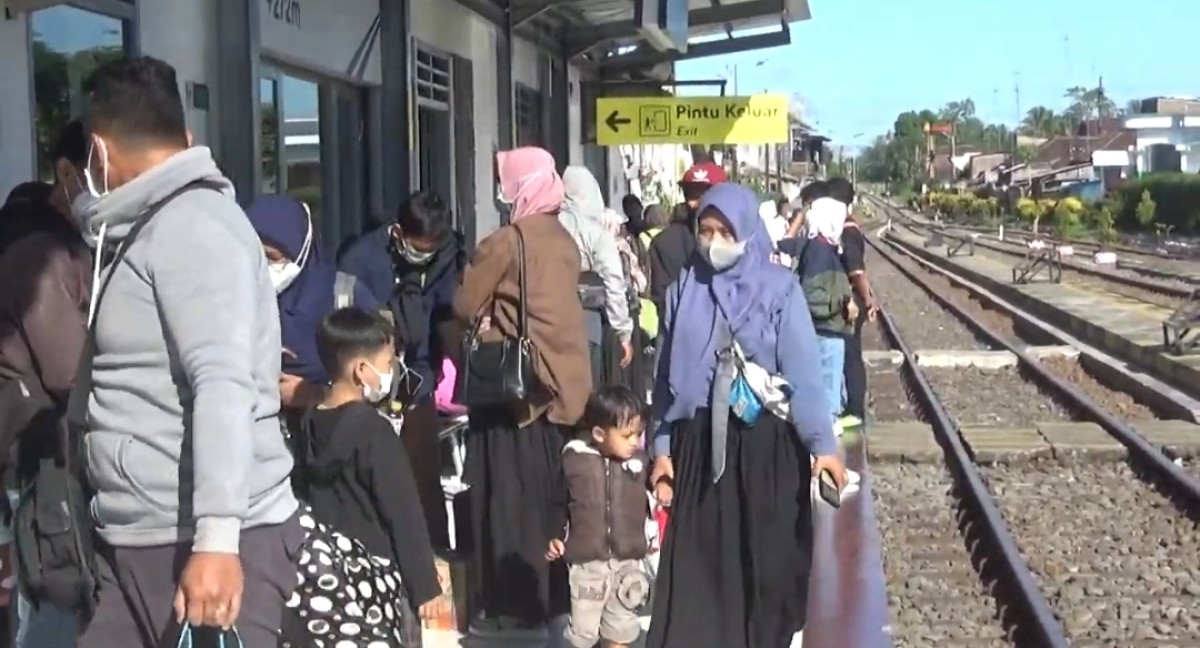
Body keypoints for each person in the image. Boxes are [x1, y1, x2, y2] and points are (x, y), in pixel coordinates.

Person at [71, 56, 300, 648]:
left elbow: (223, 382)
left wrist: (217, 541)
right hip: (140, 536)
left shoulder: (193, 227)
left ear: (98, 151)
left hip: (200, 544)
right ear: (186, 136)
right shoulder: (147, 225)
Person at [645, 183, 847, 648]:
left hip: (765, 450)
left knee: (765, 570)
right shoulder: (682, 291)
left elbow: (804, 375)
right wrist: (661, 450)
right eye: (706, 230)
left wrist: (823, 447)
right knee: (698, 576)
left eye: (725, 232)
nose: (713, 242)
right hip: (699, 452)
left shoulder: (780, 289)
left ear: (748, 232)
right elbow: (664, 381)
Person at [453, 146, 592, 632]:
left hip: (517, 396)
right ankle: (554, 600)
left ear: (519, 187)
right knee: (550, 497)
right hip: (564, 390)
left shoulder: (506, 241)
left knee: (509, 500)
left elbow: (464, 304)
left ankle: (513, 606)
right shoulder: (565, 239)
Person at [292, 307, 447, 636]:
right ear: (361, 370)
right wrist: (425, 586)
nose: (392, 372)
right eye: (388, 363)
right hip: (377, 574)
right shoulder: (374, 432)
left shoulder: (308, 423)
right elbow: (403, 513)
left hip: (327, 576)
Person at [0, 119, 93, 648]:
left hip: (38, 451)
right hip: (39, 459)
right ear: (67, 174)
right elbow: (70, 373)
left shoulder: (56, 238)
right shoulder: (40, 254)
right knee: (51, 602)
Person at [339, 191, 463, 549]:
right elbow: (344, 321)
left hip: (418, 378)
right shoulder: (360, 259)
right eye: (417, 248)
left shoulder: (447, 258)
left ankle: (435, 556)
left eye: (430, 250)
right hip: (369, 379)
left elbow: (448, 315)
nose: (423, 256)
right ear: (398, 232)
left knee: (422, 477)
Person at [245, 195, 378, 406]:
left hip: (328, 424)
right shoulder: (231, 298)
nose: (262, 268)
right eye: (254, 257)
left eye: (271, 258)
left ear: (301, 253)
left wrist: (317, 395)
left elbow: (382, 382)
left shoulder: (346, 297)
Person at [546, 385, 652, 648]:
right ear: (599, 434)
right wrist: (553, 535)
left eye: (638, 434)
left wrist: (662, 485)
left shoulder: (640, 464)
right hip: (587, 567)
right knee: (582, 635)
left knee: (621, 631)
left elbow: (652, 496)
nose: (635, 442)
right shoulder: (574, 461)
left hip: (627, 564)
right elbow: (556, 502)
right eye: (627, 435)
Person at [777, 197, 859, 436]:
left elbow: (784, 244)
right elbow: (811, 295)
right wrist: (843, 305)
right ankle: (826, 439)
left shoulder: (816, 247)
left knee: (825, 386)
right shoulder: (819, 251)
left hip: (823, 330)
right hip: (826, 331)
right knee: (827, 387)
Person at [559, 166, 634, 382]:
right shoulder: (596, 234)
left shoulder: (547, 225)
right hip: (587, 322)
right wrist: (623, 331)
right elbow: (614, 283)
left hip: (546, 322)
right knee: (586, 390)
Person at [827, 177, 878, 428]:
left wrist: (868, 301)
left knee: (850, 355)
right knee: (847, 353)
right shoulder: (843, 227)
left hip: (850, 302)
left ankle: (855, 411)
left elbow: (856, 271)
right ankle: (851, 407)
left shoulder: (846, 230)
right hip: (848, 299)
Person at [647, 162, 725, 315]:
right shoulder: (665, 244)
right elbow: (663, 301)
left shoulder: (742, 240)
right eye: (690, 195)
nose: (693, 203)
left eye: (702, 195)